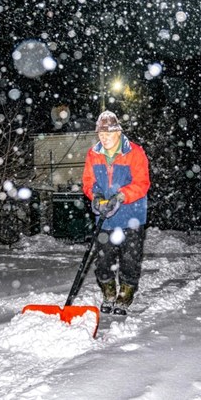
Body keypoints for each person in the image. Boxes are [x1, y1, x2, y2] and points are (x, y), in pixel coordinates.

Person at [82, 110, 150, 315]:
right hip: (105, 218)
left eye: (108, 134)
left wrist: (120, 197)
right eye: (101, 134)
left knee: (130, 259)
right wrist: (95, 195)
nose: (104, 138)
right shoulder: (93, 154)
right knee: (103, 260)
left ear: (118, 132)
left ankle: (126, 294)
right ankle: (108, 292)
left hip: (132, 217)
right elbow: (88, 182)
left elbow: (142, 183)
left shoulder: (135, 153)